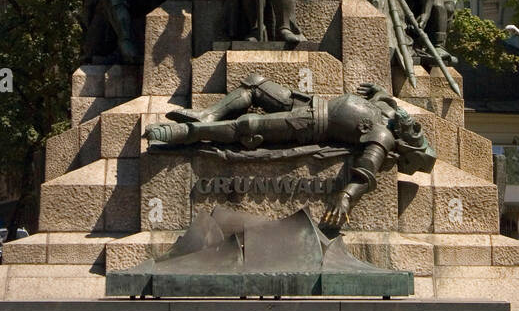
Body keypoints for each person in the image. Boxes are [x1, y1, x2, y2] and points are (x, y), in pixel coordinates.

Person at [146, 73, 436, 228]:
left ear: (405, 142)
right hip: (305, 102)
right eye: (417, 127)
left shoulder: (382, 136)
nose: (413, 124)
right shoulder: (388, 109)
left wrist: (345, 198)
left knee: (250, 124)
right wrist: (377, 90)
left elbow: (365, 173)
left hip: (309, 124)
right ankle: (207, 116)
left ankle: (185, 134)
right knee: (255, 83)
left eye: (415, 132)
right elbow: (383, 95)